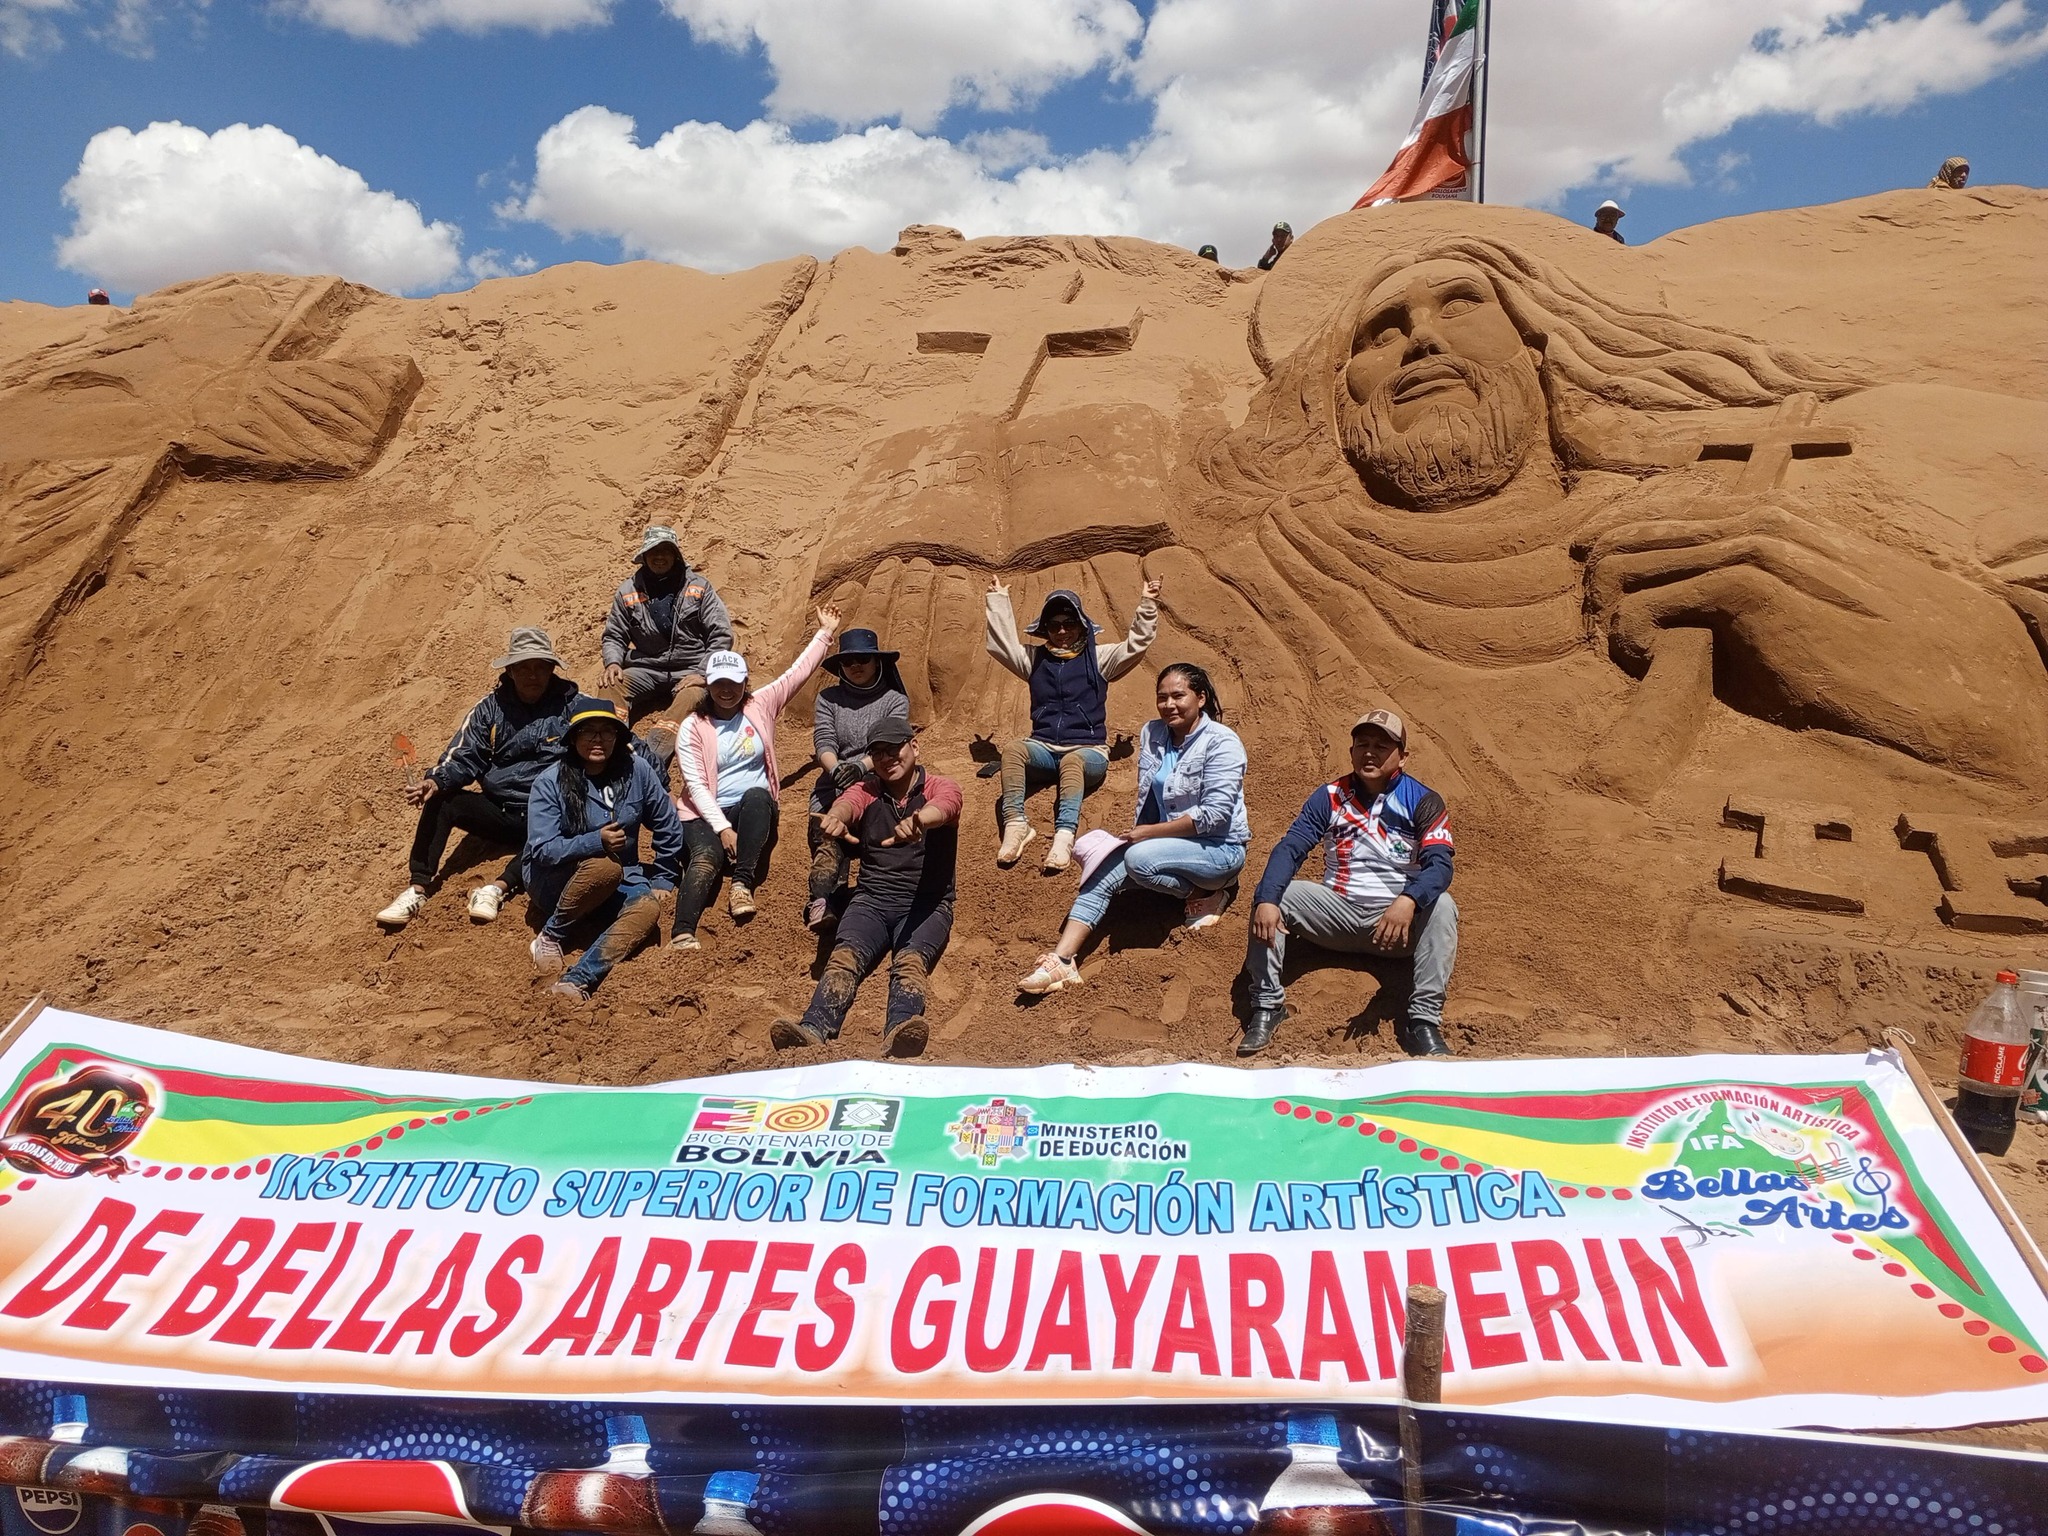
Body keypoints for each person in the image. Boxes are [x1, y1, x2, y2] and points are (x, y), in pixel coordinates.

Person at [1016, 664, 1250, 995]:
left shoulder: (1222, 742)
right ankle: (1063, 961)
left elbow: (1214, 816)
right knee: (1101, 865)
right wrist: (1127, 841)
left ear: (1200, 698)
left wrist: (1149, 834)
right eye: (1162, 697)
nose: (1169, 704)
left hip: (1219, 851)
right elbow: (1148, 796)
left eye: (1178, 696)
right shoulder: (1152, 733)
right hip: (1163, 845)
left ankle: (1206, 894)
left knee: (1139, 858)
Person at [1238, 709, 1457, 1059]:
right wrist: (1267, 898)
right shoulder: (1329, 796)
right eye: (1363, 744)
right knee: (1278, 895)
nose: (1370, 752)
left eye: (1382, 746)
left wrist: (1409, 899)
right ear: (1351, 750)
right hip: (1335, 913)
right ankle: (1267, 1006)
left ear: (1402, 755)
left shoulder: (1424, 800)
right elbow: (1291, 847)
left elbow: (1440, 865)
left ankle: (1423, 1022)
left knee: (1443, 906)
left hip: (1394, 925)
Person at [771, 722, 960, 1056]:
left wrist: (920, 821)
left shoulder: (938, 787)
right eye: (877, 752)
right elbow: (848, 803)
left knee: (910, 962)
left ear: (914, 747)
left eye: (893, 749)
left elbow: (947, 806)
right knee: (843, 958)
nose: (887, 758)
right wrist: (837, 818)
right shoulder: (868, 790)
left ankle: (901, 1029)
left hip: (927, 905)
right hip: (871, 900)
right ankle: (813, 1028)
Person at [376, 626, 577, 931]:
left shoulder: (574, 706)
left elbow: (614, 741)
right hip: (499, 809)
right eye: (524, 667)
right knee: (443, 799)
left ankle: (497, 888)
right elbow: (464, 755)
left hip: (546, 812)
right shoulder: (489, 710)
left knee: (574, 813)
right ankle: (417, 889)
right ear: (509, 670)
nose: (532, 676)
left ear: (552, 669)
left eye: (540, 667)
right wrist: (435, 781)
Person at [672, 606, 840, 946]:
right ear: (708, 684)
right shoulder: (692, 726)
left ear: (745, 683)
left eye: (734, 683)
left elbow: (796, 675)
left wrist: (825, 633)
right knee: (706, 859)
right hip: (703, 813)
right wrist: (722, 829)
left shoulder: (760, 704)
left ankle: (741, 885)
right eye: (718, 684)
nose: (726, 691)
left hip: (750, 807)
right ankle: (682, 932)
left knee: (758, 795)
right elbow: (696, 787)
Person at [985, 578, 1160, 871]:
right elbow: (1002, 646)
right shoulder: (1034, 659)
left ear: (1081, 625)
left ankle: (1065, 835)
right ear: (1046, 630)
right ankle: (1015, 824)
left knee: (1073, 761)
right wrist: (998, 601)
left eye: (1069, 623)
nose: (1062, 631)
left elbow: (1136, 645)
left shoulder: (1099, 657)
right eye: (1054, 626)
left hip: (1088, 750)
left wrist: (1148, 603)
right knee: (1014, 749)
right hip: (1042, 748)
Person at [524, 697, 685, 1002]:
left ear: (617, 737)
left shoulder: (637, 770)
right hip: (556, 881)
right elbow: (542, 849)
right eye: (588, 732)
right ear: (573, 738)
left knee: (648, 908)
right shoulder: (550, 782)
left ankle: (578, 978)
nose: (598, 740)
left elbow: (666, 820)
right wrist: (594, 841)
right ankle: (551, 935)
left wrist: (664, 876)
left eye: (606, 732)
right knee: (604, 866)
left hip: (622, 879)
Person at [807, 628, 911, 932]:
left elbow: (892, 741)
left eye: (862, 658)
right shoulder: (828, 698)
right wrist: (835, 768)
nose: (856, 665)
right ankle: (822, 899)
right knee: (827, 836)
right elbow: (823, 738)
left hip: (880, 781)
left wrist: (863, 767)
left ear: (877, 662)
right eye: (849, 660)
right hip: (833, 785)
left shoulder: (895, 700)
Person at [598, 527, 734, 723]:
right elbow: (614, 635)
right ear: (644, 556)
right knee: (610, 686)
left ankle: (656, 749)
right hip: (646, 668)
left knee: (692, 699)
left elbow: (721, 634)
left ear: (675, 555)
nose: (659, 557)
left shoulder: (699, 587)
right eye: (653, 551)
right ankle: (613, 743)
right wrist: (612, 662)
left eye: (665, 551)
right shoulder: (627, 591)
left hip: (690, 667)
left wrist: (703, 673)